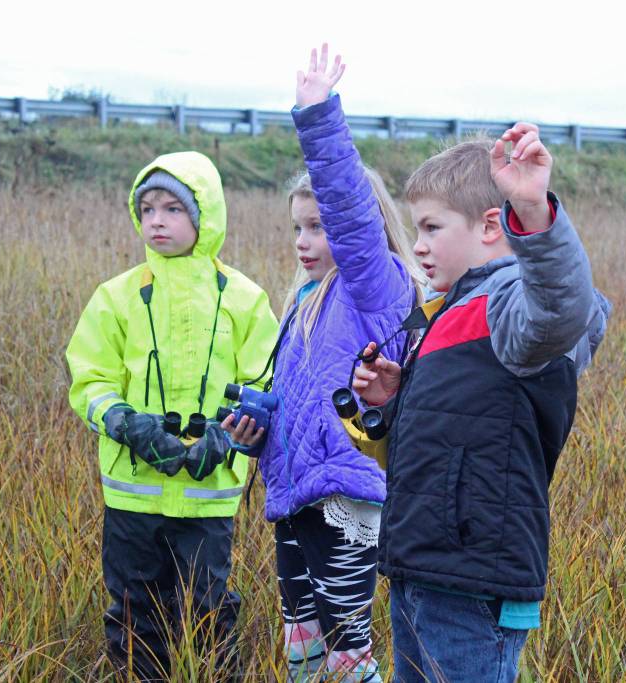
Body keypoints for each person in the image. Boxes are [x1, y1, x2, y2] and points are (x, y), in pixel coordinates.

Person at [353, 127, 611, 682]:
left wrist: (533, 212)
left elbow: (561, 306)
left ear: (492, 226)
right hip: (425, 566)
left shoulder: (509, 305)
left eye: (432, 228)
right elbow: (458, 433)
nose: (417, 245)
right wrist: (396, 400)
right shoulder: (451, 312)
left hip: (473, 582)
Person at [224, 44, 419, 683]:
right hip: (294, 499)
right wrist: (258, 432)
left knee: (346, 655)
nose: (306, 242)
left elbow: (352, 217)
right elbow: (305, 406)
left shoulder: (374, 285)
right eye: (297, 229)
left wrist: (318, 118)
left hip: (346, 499)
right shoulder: (303, 304)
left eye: (318, 226)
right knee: (304, 655)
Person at [66, 151, 278, 681]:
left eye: (173, 209)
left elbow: (266, 381)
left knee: (210, 611)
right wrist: (123, 423)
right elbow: (89, 377)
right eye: (147, 208)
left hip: (210, 493)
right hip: (132, 491)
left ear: (205, 216)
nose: (156, 220)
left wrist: (228, 437)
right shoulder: (116, 296)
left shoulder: (246, 299)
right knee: (134, 611)